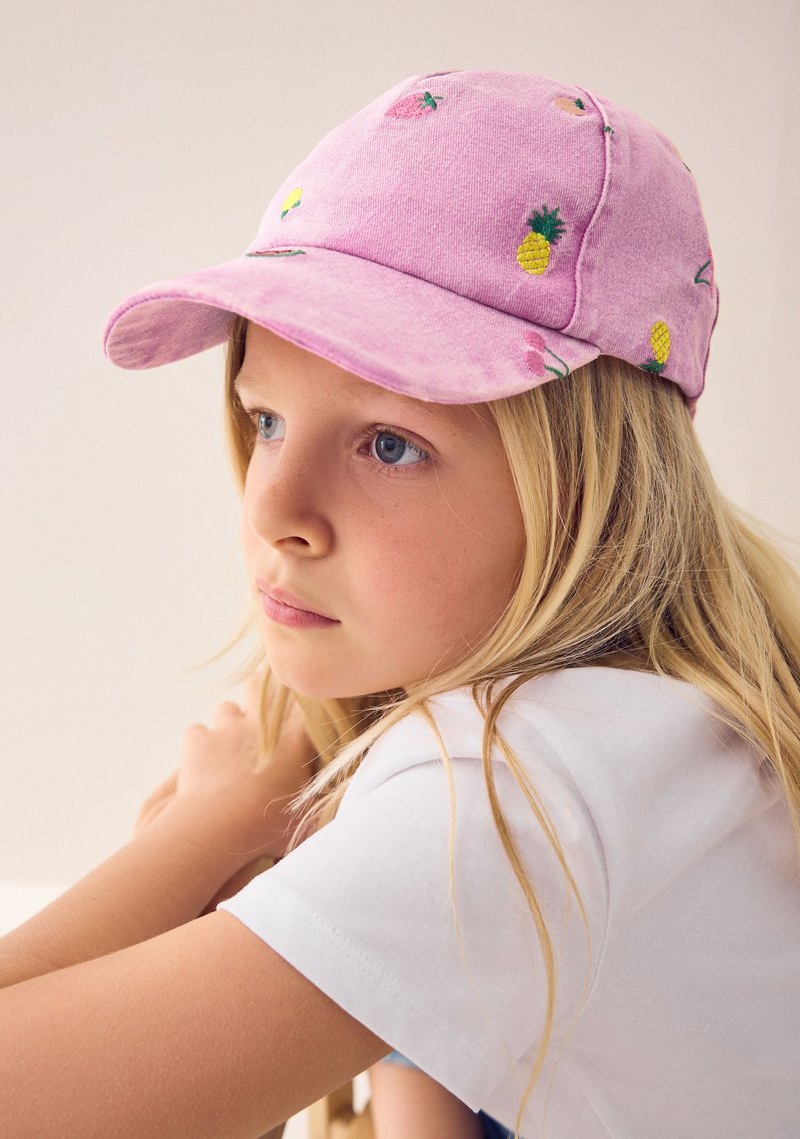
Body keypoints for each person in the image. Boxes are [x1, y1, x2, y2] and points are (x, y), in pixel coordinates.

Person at [1, 69, 799, 1139]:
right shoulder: (636, 733)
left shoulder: (518, 779)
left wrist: (208, 825)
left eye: (389, 444)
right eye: (267, 420)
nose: (274, 509)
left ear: (590, 491)